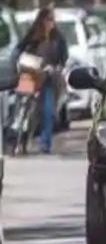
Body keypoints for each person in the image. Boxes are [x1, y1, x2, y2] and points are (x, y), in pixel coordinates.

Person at [13, 8, 68, 154]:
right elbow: (19, 49)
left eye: (53, 19)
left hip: (47, 78)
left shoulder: (58, 38)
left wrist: (56, 67)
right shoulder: (33, 35)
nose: (51, 23)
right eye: (49, 19)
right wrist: (20, 62)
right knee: (23, 108)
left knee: (47, 110)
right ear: (42, 20)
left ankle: (45, 143)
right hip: (30, 75)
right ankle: (19, 139)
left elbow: (63, 57)